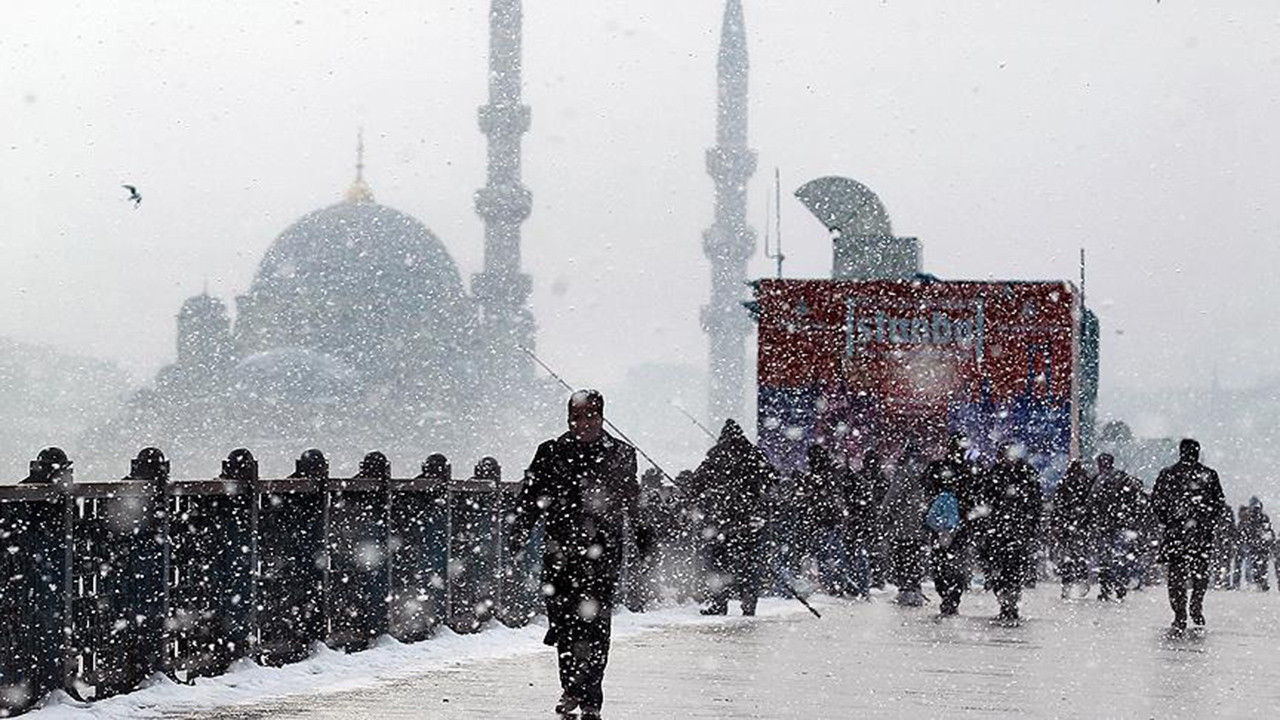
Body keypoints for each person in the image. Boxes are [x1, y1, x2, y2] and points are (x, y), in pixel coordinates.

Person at [506, 390, 651, 720]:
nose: (582, 424)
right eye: (576, 418)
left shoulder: (620, 454)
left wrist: (643, 537)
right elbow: (530, 499)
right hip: (560, 552)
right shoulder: (552, 452)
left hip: (602, 554)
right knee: (564, 622)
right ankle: (572, 686)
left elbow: (631, 499)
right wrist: (517, 535)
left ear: (601, 418)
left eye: (590, 417)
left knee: (595, 626)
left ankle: (590, 698)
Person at [693, 419, 774, 615]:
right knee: (750, 563)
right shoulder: (755, 455)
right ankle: (749, 602)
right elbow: (772, 478)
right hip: (750, 519)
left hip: (723, 520)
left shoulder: (716, 455)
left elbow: (696, 482)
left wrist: (707, 493)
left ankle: (719, 603)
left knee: (719, 562)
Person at [1151, 439, 1229, 630]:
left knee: (1177, 575)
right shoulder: (1208, 475)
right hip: (1199, 534)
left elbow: (1157, 501)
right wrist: (1207, 520)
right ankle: (1195, 604)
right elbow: (1219, 503)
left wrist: (1168, 520)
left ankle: (1180, 613)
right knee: (1199, 573)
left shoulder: (1168, 474)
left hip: (1176, 533)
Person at [974, 442, 1043, 622]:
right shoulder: (994, 474)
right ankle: (1005, 600)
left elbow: (1035, 503)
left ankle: (1010, 603)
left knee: (1013, 570)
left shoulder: (1025, 474)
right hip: (997, 532)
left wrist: (1030, 527)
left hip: (1016, 532)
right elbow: (984, 501)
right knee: (997, 570)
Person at [922, 434, 979, 616]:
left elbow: (926, 491)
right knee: (953, 564)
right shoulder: (969, 470)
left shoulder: (938, 467)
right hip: (957, 526)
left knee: (942, 563)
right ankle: (951, 597)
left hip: (942, 527)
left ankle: (949, 596)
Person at [1088, 453, 1144, 601]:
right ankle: (1118, 587)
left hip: (1107, 525)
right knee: (1118, 557)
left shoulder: (1099, 480)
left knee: (1106, 558)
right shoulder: (1121, 477)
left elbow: (1090, 502)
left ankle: (1107, 588)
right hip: (1119, 524)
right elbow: (1137, 489)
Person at [881, 443, 929, 605]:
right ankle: (916, 589)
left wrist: (885, 515)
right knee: (915, 558)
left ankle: (906, 591)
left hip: (903, 526)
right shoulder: (924, 473)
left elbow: (892, 499)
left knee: (903, 558)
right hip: (920, 525)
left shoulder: (903, 474)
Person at [1051, 459, 1094, 598]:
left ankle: (1069, 584)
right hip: (1078, 525)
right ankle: (1077, 582)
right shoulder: (1086, 484)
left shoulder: (1065, 484)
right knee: (1077, 556)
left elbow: (1057, 506)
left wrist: (1057, 523)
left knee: (1069, 556)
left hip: (1070, 525)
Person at [1239, 497, 1275, 591]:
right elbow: (1268, 531)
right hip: (1259, 545)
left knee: (1257, 565)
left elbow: (1247, 531)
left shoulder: (1252, 518)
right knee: (1260, 565)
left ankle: (1260, 582)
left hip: (1257, 546)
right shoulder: (1260, 517)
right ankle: (1261, 582)